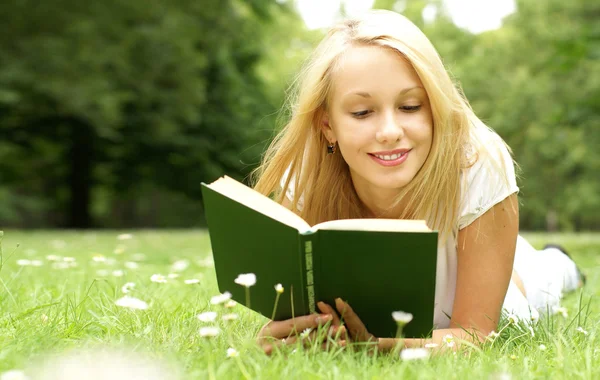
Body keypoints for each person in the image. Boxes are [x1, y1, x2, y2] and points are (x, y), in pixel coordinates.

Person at [250, 9, 585, 354]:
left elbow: (475, 334)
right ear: (328, 126)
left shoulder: (478, 160)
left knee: (541, 281)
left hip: (495, 287)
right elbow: (292, 317)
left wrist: (373, 346)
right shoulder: (305, 176)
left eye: (410, 106)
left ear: (435, 107)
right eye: (362, 113)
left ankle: (558, 263)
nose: (390, 132)